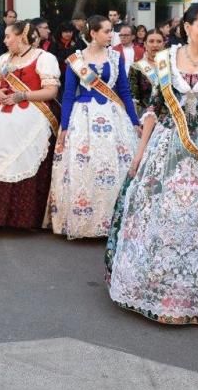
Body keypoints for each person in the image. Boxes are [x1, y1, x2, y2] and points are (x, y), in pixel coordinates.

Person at [107, 4, 198, 325]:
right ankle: (157, 289)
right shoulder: (165, 60)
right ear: (187, 27)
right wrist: (140, 154)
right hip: (167, 147)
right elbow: (155, 109)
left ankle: (195, 297)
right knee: (162, 214)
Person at [50, 16, 140, 239]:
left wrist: (134, 121)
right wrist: (64, 126)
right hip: (84, 119)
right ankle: (85, 222)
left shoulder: (115, 57)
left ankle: (114, 222)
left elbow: (124, 92)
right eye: (107, 31)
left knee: (115, 167)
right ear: (93, 33)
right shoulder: (75, 60)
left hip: (113, 116)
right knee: (84, 168)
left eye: (112, 31)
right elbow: (69, 95)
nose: (112, 35)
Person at [0, 20, 61, 229]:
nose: (5, 41)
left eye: (9, 36)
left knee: (22, 144)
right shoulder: (3, 60)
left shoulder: (44, 58)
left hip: (33, 111)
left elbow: (51, 91)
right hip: (0, 110)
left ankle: (21, 217)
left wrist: (23, 95)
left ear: (22, 36)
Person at [128, 29, 164, 118]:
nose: (155, 45)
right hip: (144, 115)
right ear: (145, 44)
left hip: (167, 116)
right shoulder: (136, 67)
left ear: (163, 44)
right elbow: (133, 97)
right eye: (151, 41)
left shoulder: (171, 66)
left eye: (159, 41)